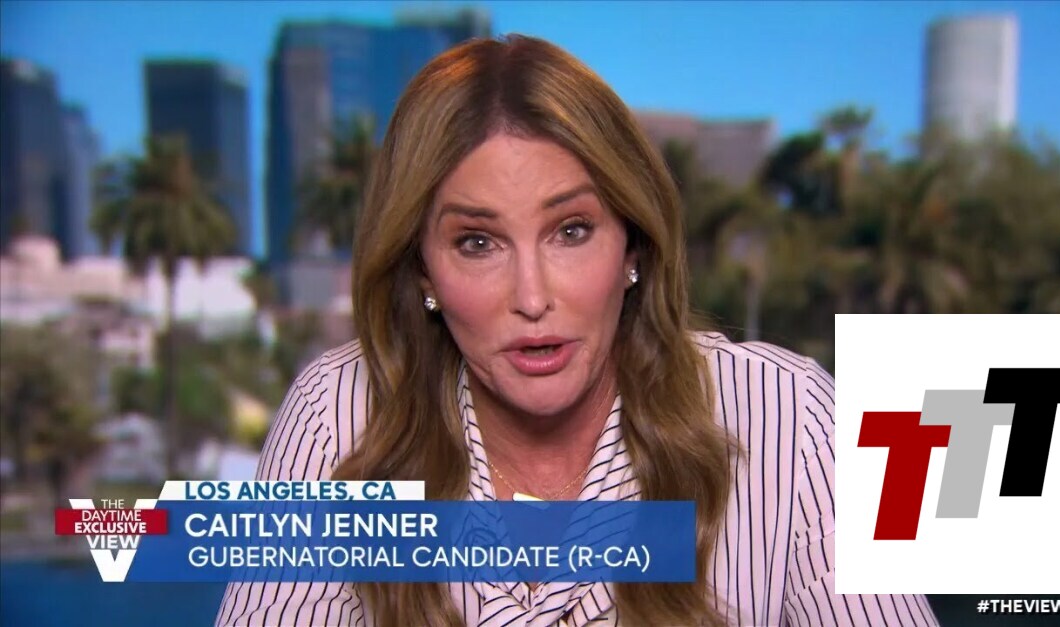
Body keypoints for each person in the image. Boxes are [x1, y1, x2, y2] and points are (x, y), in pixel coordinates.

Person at [217, 35, 939, 627]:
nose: (532, 298)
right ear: (422, 270)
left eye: (571, 230)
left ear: (632, 245)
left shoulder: (789, 416)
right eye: (477, 242)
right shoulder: (339, 413)